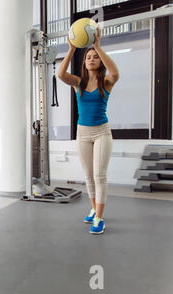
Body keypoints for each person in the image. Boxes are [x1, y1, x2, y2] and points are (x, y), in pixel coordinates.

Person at [57, 27, 120, 235]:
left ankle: (100, 218)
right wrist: (72, 49)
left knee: (99, 175)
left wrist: (98, 47)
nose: (91, 59)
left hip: (102, 132)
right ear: (84, 63)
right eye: (88, 57)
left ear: (99, 61)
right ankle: (94, 209)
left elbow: (116, 72)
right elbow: (60, 74)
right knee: (88, 175)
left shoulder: (106, 82)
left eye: (95, 57)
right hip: (83, 133)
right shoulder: (78, 83)